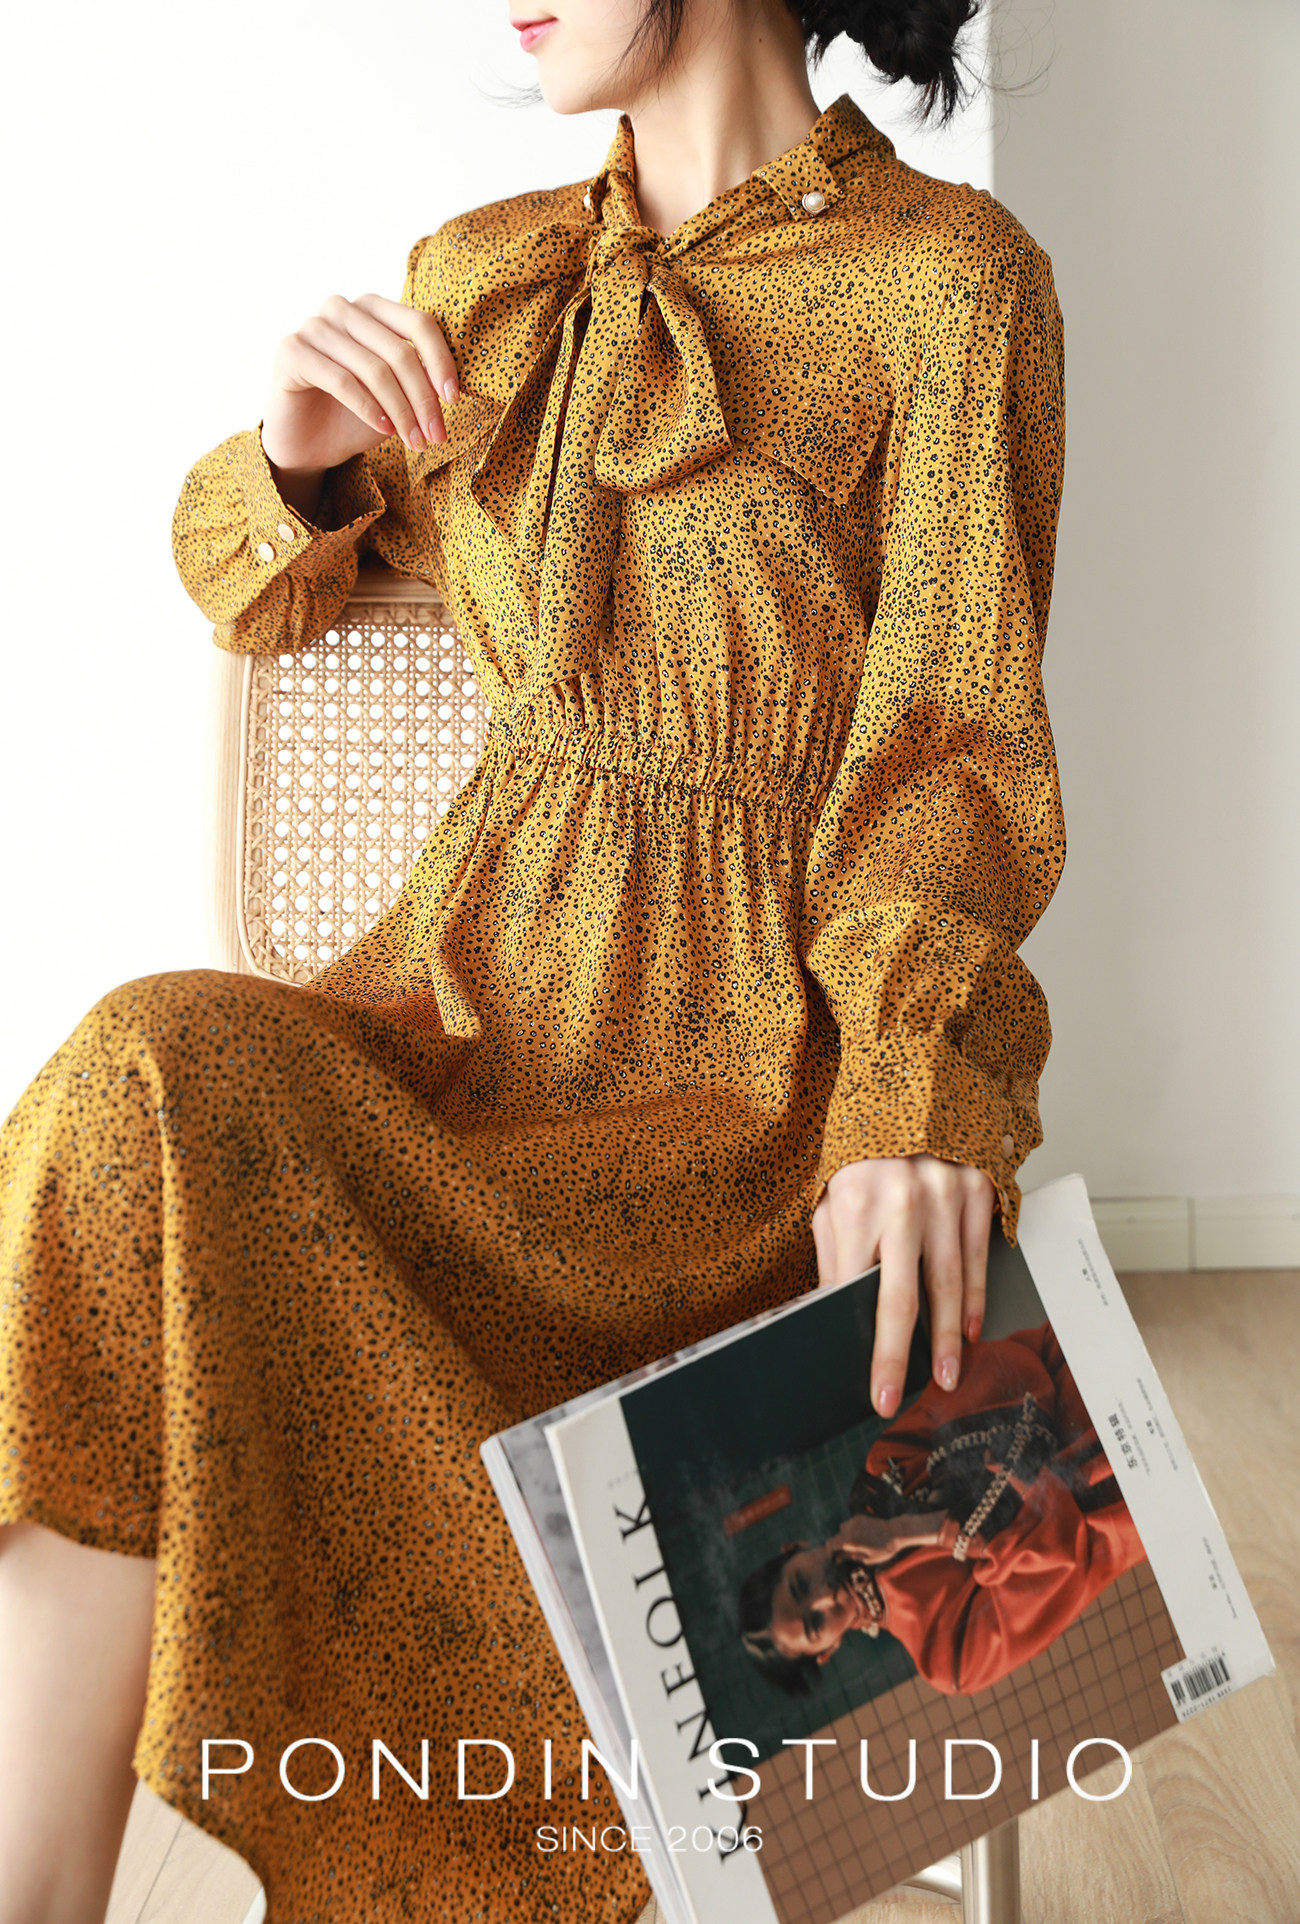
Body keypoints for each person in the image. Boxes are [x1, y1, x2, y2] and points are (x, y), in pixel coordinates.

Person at [0, 0, 1067, 1916]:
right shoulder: (482, 281)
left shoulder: (952, 281)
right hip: (461, 1033)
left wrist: (911, 1089)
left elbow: (949, 748)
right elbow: (252, 588)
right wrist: (299, 452)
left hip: (741, 1106)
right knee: (132, 1080)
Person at [739, 1323, 1147, 1697]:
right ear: (827, 1650)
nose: (825, 1596)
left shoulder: (885, 1464)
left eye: (802, 1584)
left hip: (1090, 1355)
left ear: (795, 1549)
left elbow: (1009, 1370)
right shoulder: (948, 1657)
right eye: (815, 1624)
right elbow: (1059, 1555)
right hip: (1130, 1493)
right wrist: (911, 1530)